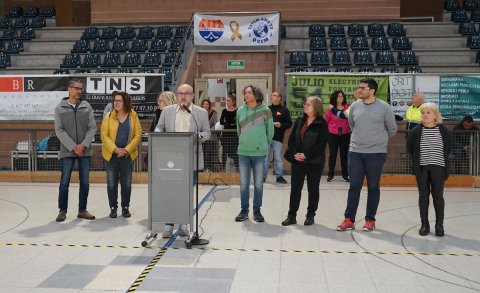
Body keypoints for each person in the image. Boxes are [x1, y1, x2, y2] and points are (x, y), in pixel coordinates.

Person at [336, 78, 397, 232]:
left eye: (362, 88)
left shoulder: (384, 107)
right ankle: (349, 219)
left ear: (372, 90)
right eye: (359, 87)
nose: (359, 90)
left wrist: (378, 141)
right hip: (355, 152)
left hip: (376, 154)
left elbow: (392, 129)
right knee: (354, 187)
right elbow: (352, 125)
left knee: (373, 187)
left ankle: (370, 220)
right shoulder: (355, 106)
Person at [155, 84, 211, 238]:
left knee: (186, 193)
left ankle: (184, 223)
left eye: (187, 93)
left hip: (190, 157)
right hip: (171, 160)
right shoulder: (167, 111)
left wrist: (199, 136)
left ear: (193, 95)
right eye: (180, 93)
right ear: (177, 95)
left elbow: (207, 132)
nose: (183, 96)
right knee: (170, 192)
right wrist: (157, 133)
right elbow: (159, 127)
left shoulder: (200, 113)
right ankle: (169, 223)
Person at [54, 79, 97, 222]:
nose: (79, 91)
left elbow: (92, 128)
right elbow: (59, 131)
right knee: (64, 182)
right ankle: (62, 211)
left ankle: (82, 210)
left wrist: (82, 145)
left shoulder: (87, 106)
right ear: (69, 89)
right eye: (76, 88)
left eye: (81, 89)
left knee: (84, 182)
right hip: (67, 151)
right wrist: (73, 146)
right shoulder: (60, 108)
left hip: (84, 151)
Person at [406, 102, 452, 237]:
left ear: (435, 115)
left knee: (438, 197)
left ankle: (439, 225)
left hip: (438, 167)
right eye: (423, 113)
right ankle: (424, 224)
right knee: (423, 196)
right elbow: (410, 148)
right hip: (422, 169)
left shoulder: (443, 131)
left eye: (428, 113)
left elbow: (448, 148)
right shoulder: (416, 131)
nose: (425, 115)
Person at [282, 96, 328, 226]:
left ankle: (310, 215)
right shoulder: (299, 121)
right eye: (305, 104)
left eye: (308, 104)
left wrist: (306, 155)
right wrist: (296, 153)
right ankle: (292, 216)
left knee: (313, 189)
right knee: (295, 188)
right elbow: (291, 139)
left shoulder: (322, 123)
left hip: (314, 162)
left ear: (316, 107)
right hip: (298, 161)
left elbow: (321, 145)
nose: (305, 106)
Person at [235, 85, 274, 222]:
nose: (246, 95)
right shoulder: (240, 110)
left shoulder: (266, 111)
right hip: (243, 152)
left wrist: (263, 146)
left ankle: (257, 211)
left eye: (249, 92)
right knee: (244, 183)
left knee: (258, 183)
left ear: (256, 95)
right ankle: (244, 211)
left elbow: (270, 132)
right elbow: (239, 130)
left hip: (259, 153)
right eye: (245, 92)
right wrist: (245, 143)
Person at [101, 91, 142, 218]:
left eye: (119, 101)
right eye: (115, 101)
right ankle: (113, 208)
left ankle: (125, 207)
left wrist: (127, 149)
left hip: (127, 156)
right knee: (112, 183)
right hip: (111, 155)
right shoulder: (108, 116)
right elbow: (104, 135)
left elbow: (138, 134)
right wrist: (115, 149)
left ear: (125, 102)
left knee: (126, 183)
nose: (116, 103)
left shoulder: (133, 115)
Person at [263, 91, 292, 184]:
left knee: (278, 158)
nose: (272, 97)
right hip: (266, 138)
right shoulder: (266, 109)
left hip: (278, 138)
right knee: (265, 158)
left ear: (279, 98)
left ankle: (279, 176)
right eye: (271, 95)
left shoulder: (284, 110)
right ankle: (263, 177)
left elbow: (289, 124)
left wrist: (281, 125)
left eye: (274, 95)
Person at [325, 90, 351, 182]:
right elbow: (326, 122)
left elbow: (349, 118)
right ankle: (330, 174)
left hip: (345, 134)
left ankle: (345, 175)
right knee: (333, 154)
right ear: (334, 98)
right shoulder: (330, 109)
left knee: (344, 155)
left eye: (342, 96)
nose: (340, 97)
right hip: (332, 134)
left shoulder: (348, 107)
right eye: (338, 96)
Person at [219, 93, 239, 171]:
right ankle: (223, 165)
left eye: (229, 101)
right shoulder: (224, 110)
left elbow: (238, 122)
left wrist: (232, 124)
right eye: (227, 101)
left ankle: (237, 165)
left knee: (235, 149)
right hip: (226, 133)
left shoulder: (237, 111)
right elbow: (221, 121)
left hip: (234, 134)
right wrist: (228, 124)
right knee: (225, 150)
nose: (227, 102)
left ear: (233, 102)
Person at [201, 98, 219, 172]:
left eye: (207, 104)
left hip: (210, 137)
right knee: (202, 152)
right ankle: (203, 167)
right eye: (204, 104)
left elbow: (216, 124)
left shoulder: (213, 113)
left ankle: (208, 167)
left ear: (209, 105)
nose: (205, 105)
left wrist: (208, 129)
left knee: (208, 153)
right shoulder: (199, 113)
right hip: (202, 136)